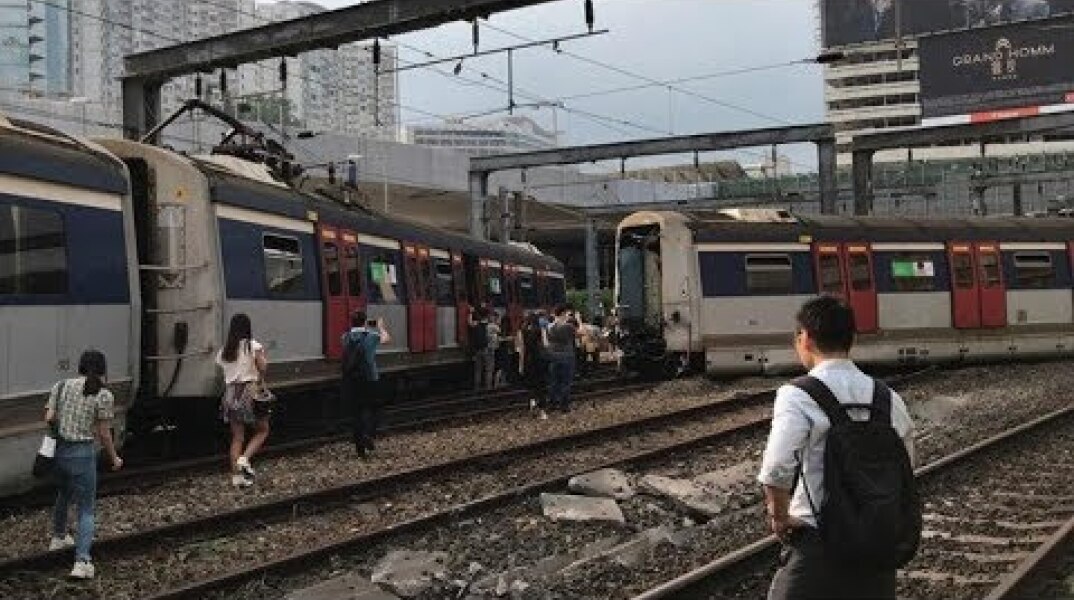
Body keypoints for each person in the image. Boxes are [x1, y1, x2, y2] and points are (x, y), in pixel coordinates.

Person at [758, 296, 917, 600]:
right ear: (852, 339)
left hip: (818, 542)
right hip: (877, 545)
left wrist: (779, 516)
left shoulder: (797, 395)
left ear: (805, 338)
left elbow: (777, 469)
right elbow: (905, 465)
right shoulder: (888, 397)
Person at [45, 349, 123, 580]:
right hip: (82, 454)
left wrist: (65, 423)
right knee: (86, 509)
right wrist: (114, 457)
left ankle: (58, 537)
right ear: (103, 369)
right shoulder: (104, 395)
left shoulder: (60, 386)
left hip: (60, 452)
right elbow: (104, 433)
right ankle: (82, 562)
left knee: (64, 493)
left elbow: (49, 417)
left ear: (79, 366)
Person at [215, 313, 270, 488]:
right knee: (262, 430)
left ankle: (237, 478)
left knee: (237, 437)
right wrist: (261, 357)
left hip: (230, 393)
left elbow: (223, 370)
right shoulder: (253, 346)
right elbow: (263, 368)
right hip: (249, 391)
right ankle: (244, 459)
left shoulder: (224, 350)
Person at [341, 311, 391, 457]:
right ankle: (368, 434)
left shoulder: (345, 337)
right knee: (374, 409)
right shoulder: (371, 336)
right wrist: (380, 327)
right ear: (365, 322)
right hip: (370, 379)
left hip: (351, 380)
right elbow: (386, 339)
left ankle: (360, 449)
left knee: (356, 413)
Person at [544, 305, 580, 413]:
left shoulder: (549, 327)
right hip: (567, 356)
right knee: (566, 382)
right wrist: (579, 319)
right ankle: (564, 406)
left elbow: (546, 342)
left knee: (554, 382)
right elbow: (580, 333)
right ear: (563, 313)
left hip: (553, 356)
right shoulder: (568, 326)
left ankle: (552, 404)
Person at [516, 313, 548, 419]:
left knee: (531, 383)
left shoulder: (522, 331)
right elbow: (545, 344)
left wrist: (520, 365)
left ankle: (532, 400)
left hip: (528, 360)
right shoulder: (541, 330)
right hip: (540, 359)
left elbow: (521, 349)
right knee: (541, 385)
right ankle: (542, 411)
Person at [469, 307, 495, 390]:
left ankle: (477, 388)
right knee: (488, 370)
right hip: (488, 350)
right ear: (487, 315)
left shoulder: (476, 325)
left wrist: (471, 313)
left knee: (478, 370)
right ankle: (488, 388)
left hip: (478, 350)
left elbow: (470, 323)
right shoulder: (491, 325)